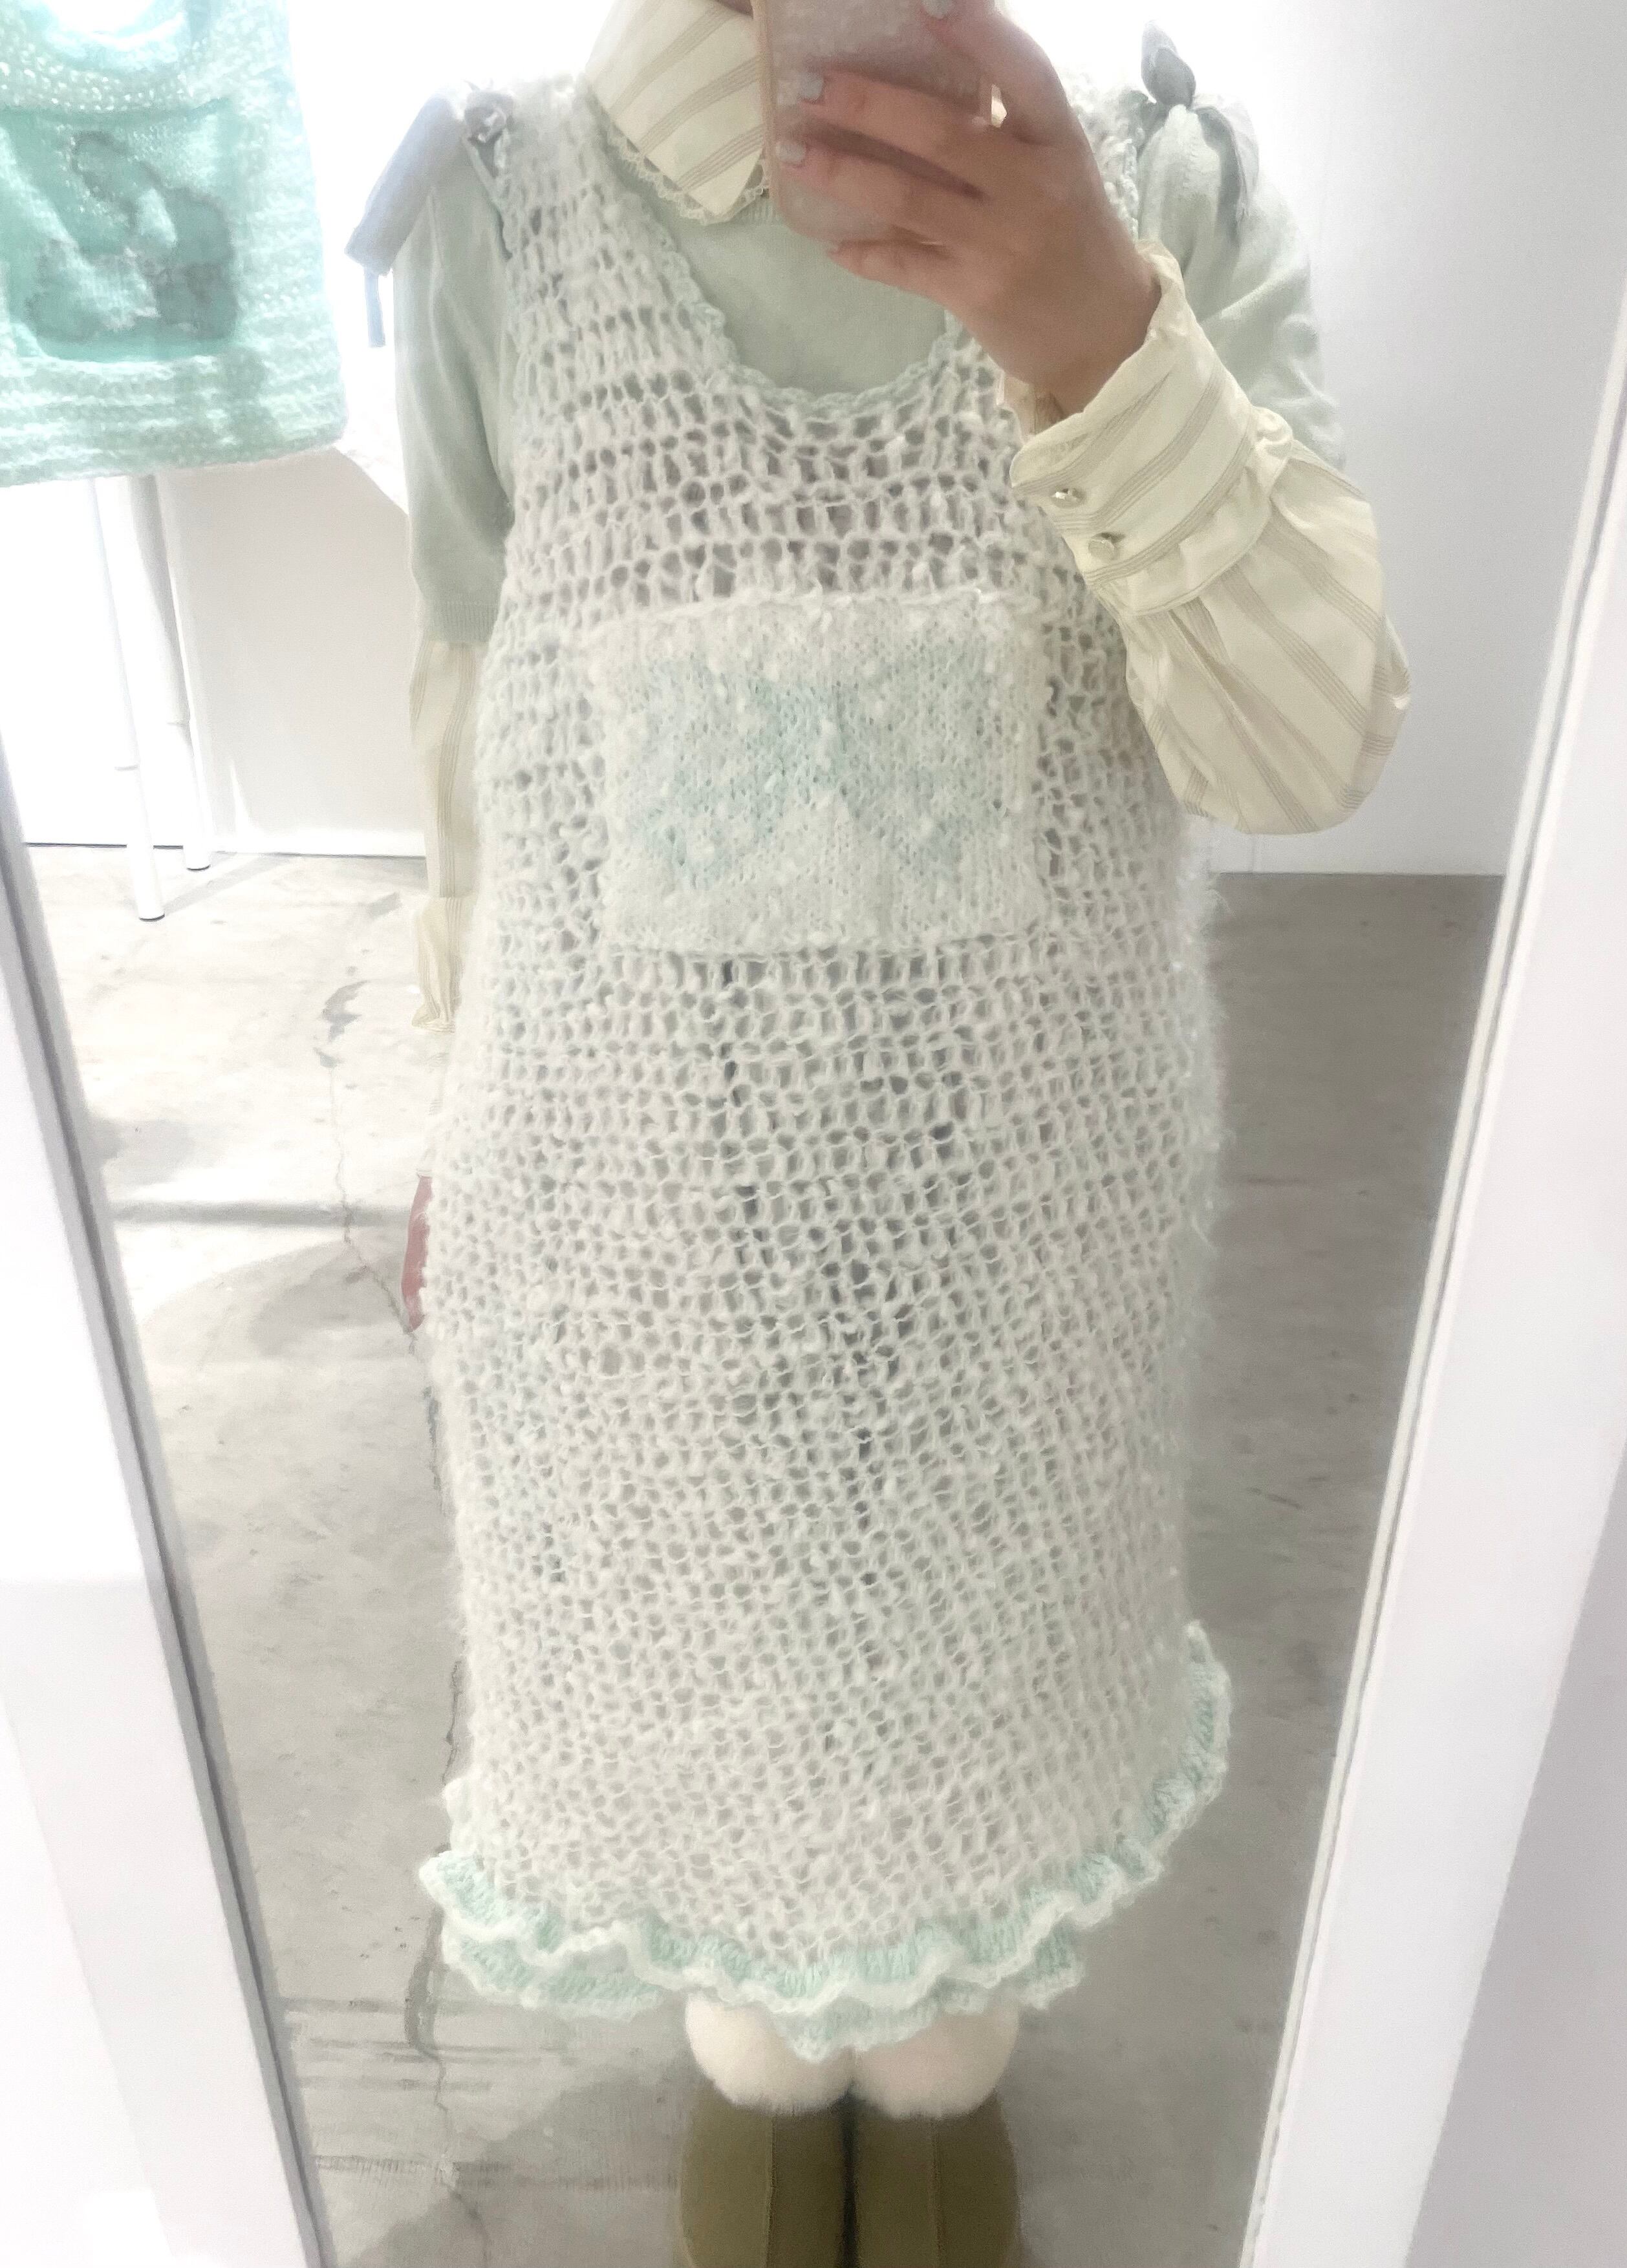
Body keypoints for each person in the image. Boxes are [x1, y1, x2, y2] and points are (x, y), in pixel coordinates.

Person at [380, 3, 1410, 2261]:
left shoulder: (1162, 191)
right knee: (713, 1688)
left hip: (1033, 1223)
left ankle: (936, 2070)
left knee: (977, 1709)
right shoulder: (501, 211)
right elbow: (477, 715)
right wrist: (447, 1106)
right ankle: (762, 2061)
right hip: (634, 1218)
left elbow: (1302, 748)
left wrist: (1104, 342)